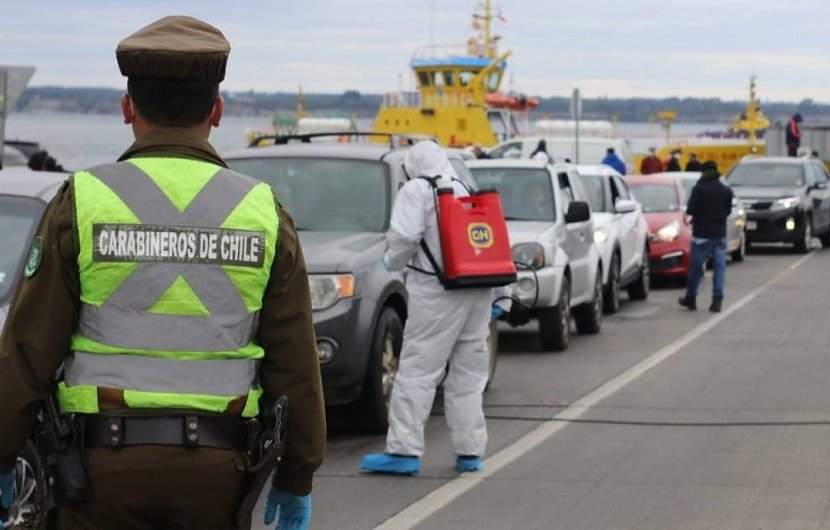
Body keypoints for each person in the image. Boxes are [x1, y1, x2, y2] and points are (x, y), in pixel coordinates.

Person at [0, 16, 325, 530]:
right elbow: (295, 361)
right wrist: (298, 473)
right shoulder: (262, 212)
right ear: (216, 112)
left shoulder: (81, 202)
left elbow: (28, 348)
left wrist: (2, 455)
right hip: (219, 471)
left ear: (128, 108)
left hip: (98, 471)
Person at [360, 141, 510, 476]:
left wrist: (391, 262)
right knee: (469, 376)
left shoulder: (418, 190)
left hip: (437, 294)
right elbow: (491, 243)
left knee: (418, 370)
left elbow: (404, 237)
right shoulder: (465, 188)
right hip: (477, 292)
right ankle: (470, 451)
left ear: (413, 166)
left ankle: (403, 451)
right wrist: (500, 295)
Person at [678, 161, 734, 313]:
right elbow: (728, 211)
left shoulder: (699, 189)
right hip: (719, 235)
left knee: (695, 268)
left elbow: (691, 210)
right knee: (719, 268)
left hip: (701, 235)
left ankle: (691, 298)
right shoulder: (726, 191)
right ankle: (717, 300)